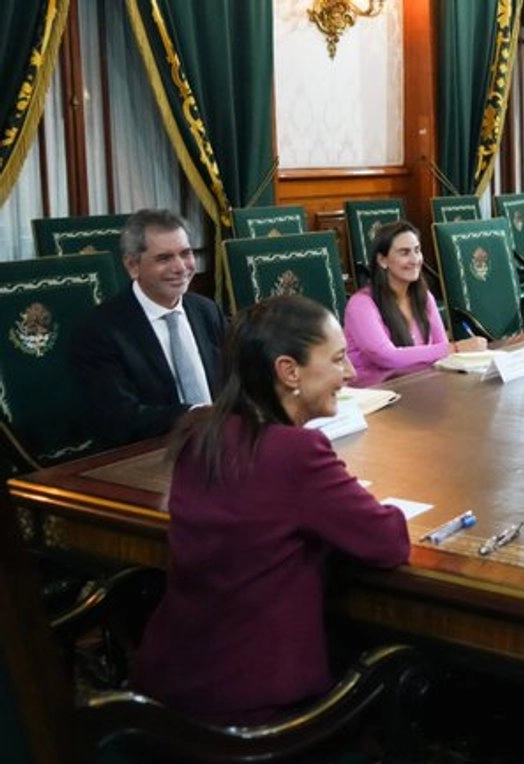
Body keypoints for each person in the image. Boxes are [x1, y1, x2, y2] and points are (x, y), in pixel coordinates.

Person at [133, 295, 411, 725]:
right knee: (406, 670)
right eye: (337, 359)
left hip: (171, 688)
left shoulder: (200, 434)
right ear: (289, 371)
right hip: (254, 709)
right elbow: (388, 542)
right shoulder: (295, 452)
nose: (351, 373)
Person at [71, 208, 226, 448]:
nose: (181, 267)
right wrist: (194, 416)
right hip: (156, 452)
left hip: (224, 443)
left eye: (186, 253)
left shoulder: (206, 311)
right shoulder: (100, 330)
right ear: (133, 266)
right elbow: (118, 418)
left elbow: (237, 378)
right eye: (164, 258)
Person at [343, 220, 486, 386]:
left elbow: (442, 348)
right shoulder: (361, 304)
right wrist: (456, 348)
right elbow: (386, 357)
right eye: (404, 253)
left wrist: (451, 350)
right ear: (382, 260)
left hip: (419, 385)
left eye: (417, 250)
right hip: (376, 392)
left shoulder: (425, 297)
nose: (415, 259)